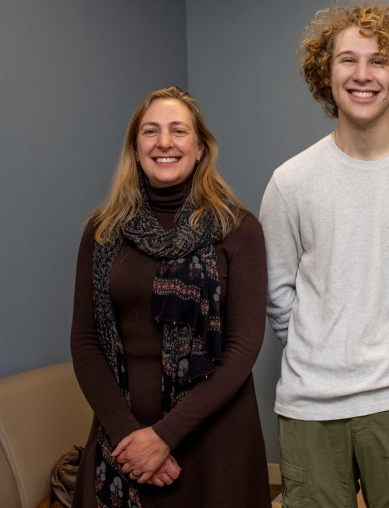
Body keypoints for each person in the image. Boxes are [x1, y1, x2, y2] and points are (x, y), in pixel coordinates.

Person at [259, 0, 389, 507]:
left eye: (379, 60)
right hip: (310, 408)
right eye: (347, 59)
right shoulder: (290, 183)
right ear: (325, 74)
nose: (363, 74)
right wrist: (321, 350)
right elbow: (278, 293)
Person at [70, 86, 271, 507]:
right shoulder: (102, 231)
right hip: (122, 442)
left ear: (199, 148)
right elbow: (85, 343)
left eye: (178, 131)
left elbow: (243, 347)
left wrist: (165, 435)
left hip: (216, 442)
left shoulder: (239, 228)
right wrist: (130, 437)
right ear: (135, 148)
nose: (164, 142)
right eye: (151, 131)